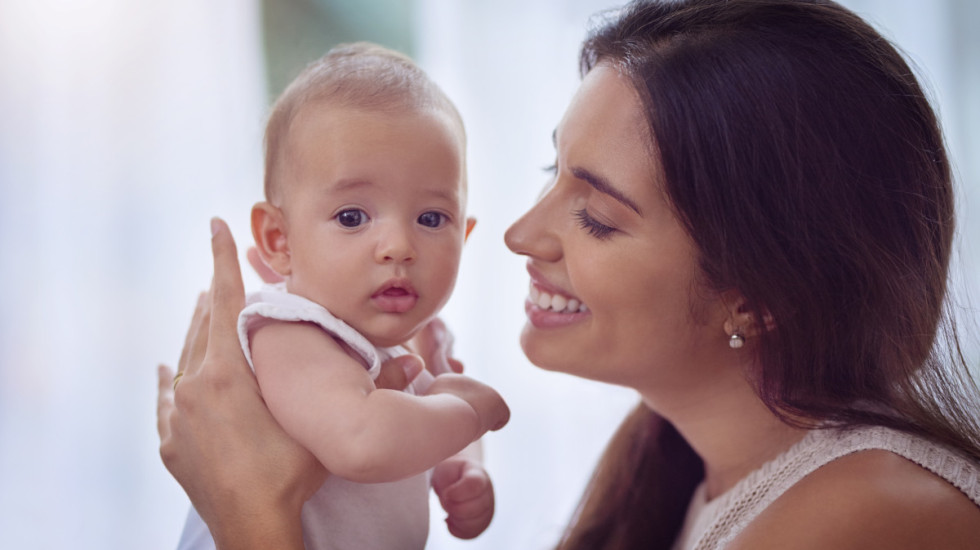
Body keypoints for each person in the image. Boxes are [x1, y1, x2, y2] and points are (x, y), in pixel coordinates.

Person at [157, 1, 980, 549]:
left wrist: (255, 517)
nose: (518, 235)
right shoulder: (687, 471)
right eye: (554, 172)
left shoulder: (869, 516)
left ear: (757, 297)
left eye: (596, 214)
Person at [173, 42, 510, 550]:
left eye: (431, 219)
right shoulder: (289, 331)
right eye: (352, 217)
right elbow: (364, 441)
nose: (398, 246)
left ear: (463, 236)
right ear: (279, 241)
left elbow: (426, 420)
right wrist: (469, 413)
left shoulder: (418, 340)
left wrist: (463, 467)